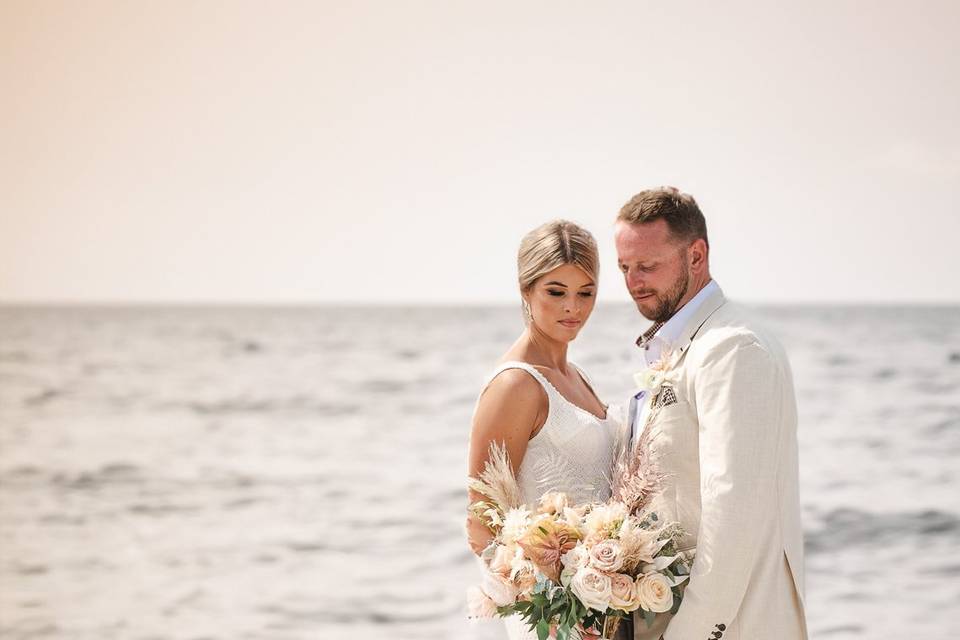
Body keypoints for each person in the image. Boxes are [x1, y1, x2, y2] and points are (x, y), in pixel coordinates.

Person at [615, 187, 808, 640]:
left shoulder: (731, 348)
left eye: (647, 265)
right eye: (625, 267)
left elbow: (732, 511)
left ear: (696, 255)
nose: (633, 281)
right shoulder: (686, 345)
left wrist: (691, 633)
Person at [466, 220, 623, 640]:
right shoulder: (515, 384)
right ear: (526, 290)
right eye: (556, 292)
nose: (572, 307)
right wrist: (551, 613)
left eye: (585, 293)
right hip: (555, 623)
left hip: (604, 609)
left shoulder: (577, 376)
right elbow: (481, 521)